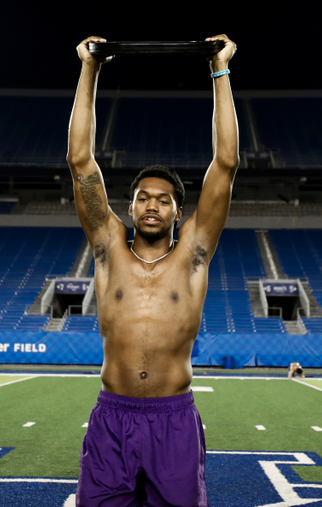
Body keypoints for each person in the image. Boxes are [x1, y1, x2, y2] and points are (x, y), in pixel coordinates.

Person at [67, 33, 239, 507]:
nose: (152, 205)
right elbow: (81, 160)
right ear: (130, 205)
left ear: (178, 214)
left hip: (174, 421)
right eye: (143, 197)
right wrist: (90, 67)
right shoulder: (107, 249)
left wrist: (219, 69)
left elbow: (225, 164)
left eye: (164, 200)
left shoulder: (193, 256)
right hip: (112, 420)